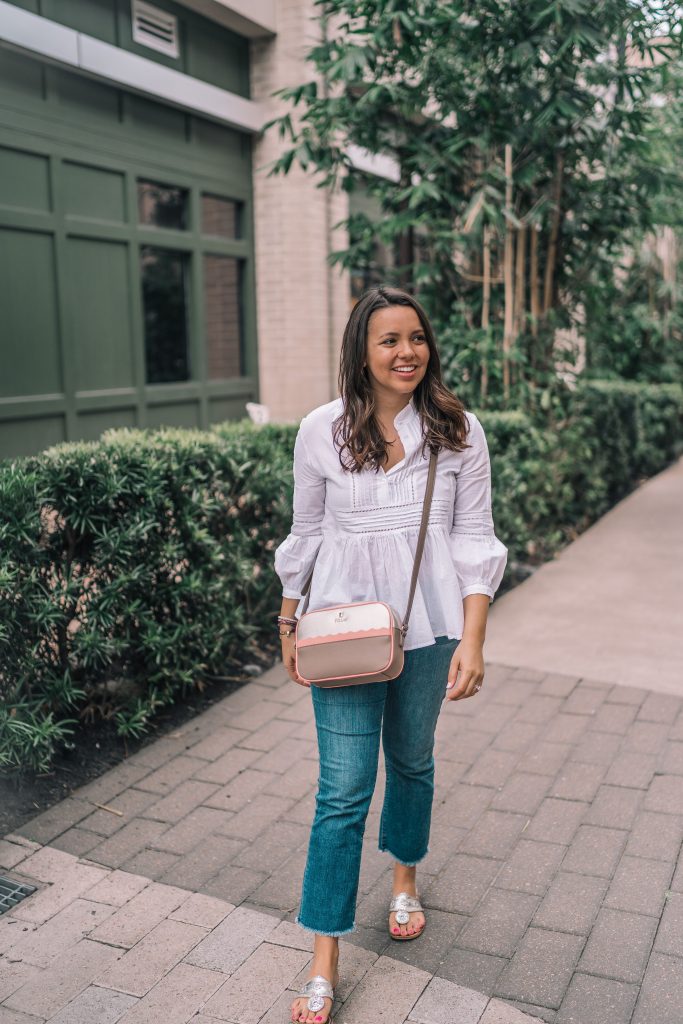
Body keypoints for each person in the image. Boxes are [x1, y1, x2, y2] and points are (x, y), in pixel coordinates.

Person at [274, 285, 508, 1024]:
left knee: (410, 761)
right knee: (340, 791)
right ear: (361, 352)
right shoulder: (320, 430)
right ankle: (323, 959)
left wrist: (474, 637)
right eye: (388, 340)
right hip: (342, 632)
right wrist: (287, 619)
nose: (406, 352)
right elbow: (305, 533)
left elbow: (475, 539)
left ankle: (404, 878)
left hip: (432, 627)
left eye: (416, 337)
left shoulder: (457, 431)